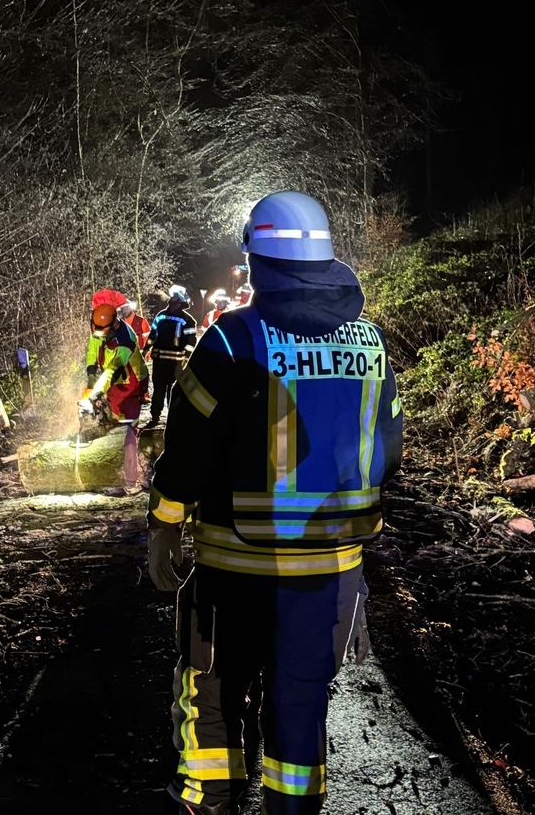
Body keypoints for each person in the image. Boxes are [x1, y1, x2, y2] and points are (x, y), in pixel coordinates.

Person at [147, 191, 403, 815]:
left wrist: (164, 523)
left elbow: (188, 449)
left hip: (237, 570)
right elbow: (388, 446)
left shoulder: (233, 340)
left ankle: (212, 806)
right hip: (333, 577)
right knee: (299, 707)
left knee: (210, 696)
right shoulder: (371, 345)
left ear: (257, 261)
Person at [83, 302, 149, 489]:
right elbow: (93, 349)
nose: (99, 336)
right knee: (112, 422)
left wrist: (95, 393)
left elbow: (113, 369)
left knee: (127, 428)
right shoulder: (99, 326)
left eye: (103, 333)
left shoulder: (125, 339)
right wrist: (90, 374)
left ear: (114, 325)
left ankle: (130, 479)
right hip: (111, 382)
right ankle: (110, 469)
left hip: (131, 382)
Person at [142, 284, 197, 427]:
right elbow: (153, 335)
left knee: (171, 391)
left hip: (173, 363)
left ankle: (170, 419)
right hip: (165, 362)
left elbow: (191, 340)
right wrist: (146, 348)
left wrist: (187, 356)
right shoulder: (182, 318)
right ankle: (157, 417)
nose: (173, 304)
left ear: (179, 303)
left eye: (175, 302)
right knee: (161, 390)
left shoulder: (164, 316)